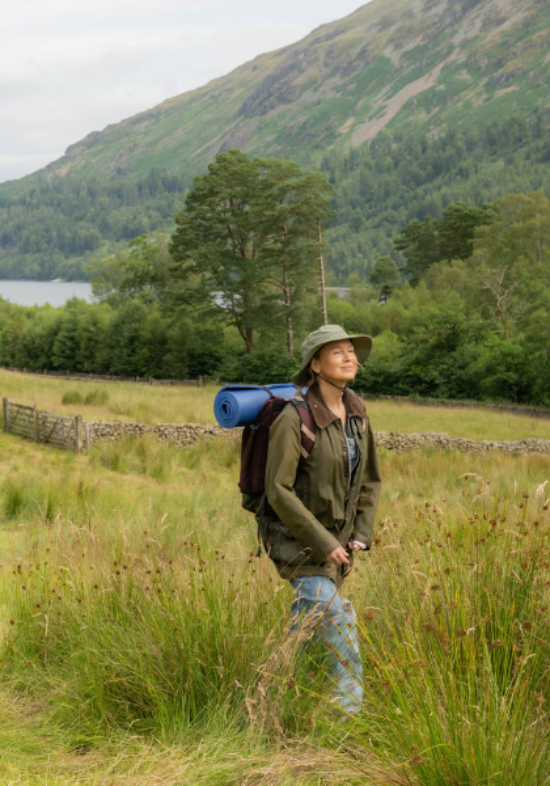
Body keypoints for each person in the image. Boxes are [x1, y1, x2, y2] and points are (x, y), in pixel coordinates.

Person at [259, 324, 382, 715]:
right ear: (315, 364)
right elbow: (277, 489)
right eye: (338, 353)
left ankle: (281, 703)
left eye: (352, 352)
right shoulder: (294, 419)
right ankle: (348, 719)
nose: (350, 358)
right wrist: (323, 542)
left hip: (339, 548)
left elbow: (370, 480)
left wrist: (360, 533)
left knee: (308, 634)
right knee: (341, 623)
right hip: (297, 545)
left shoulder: (358, 415)